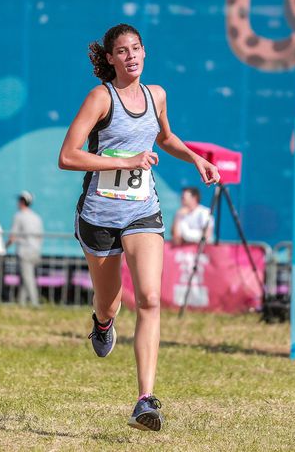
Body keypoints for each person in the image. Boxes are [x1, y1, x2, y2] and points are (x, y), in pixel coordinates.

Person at [58, 24, 220, 431]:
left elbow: (164, 138)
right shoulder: (100, 98)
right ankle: (102, 323)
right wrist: (125, 161)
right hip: (99, 216)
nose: (130, 56)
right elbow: (68, 156)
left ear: (145, 52)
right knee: (109, 300)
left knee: (149, 298)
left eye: (136, 48)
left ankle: (145, 400)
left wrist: (195, 158)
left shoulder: (157, 95)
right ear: (110, 58)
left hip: (142, 210)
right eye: (121, 51)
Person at [6, 191, 44, 307]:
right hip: (36, 251)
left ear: (22, 202)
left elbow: (13, 236)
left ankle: (35, 304)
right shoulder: (36, 217)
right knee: (25, 278)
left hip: (24, 251)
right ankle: (21, 303)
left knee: (28, 279)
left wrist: (5, 246)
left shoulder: (19, 216)